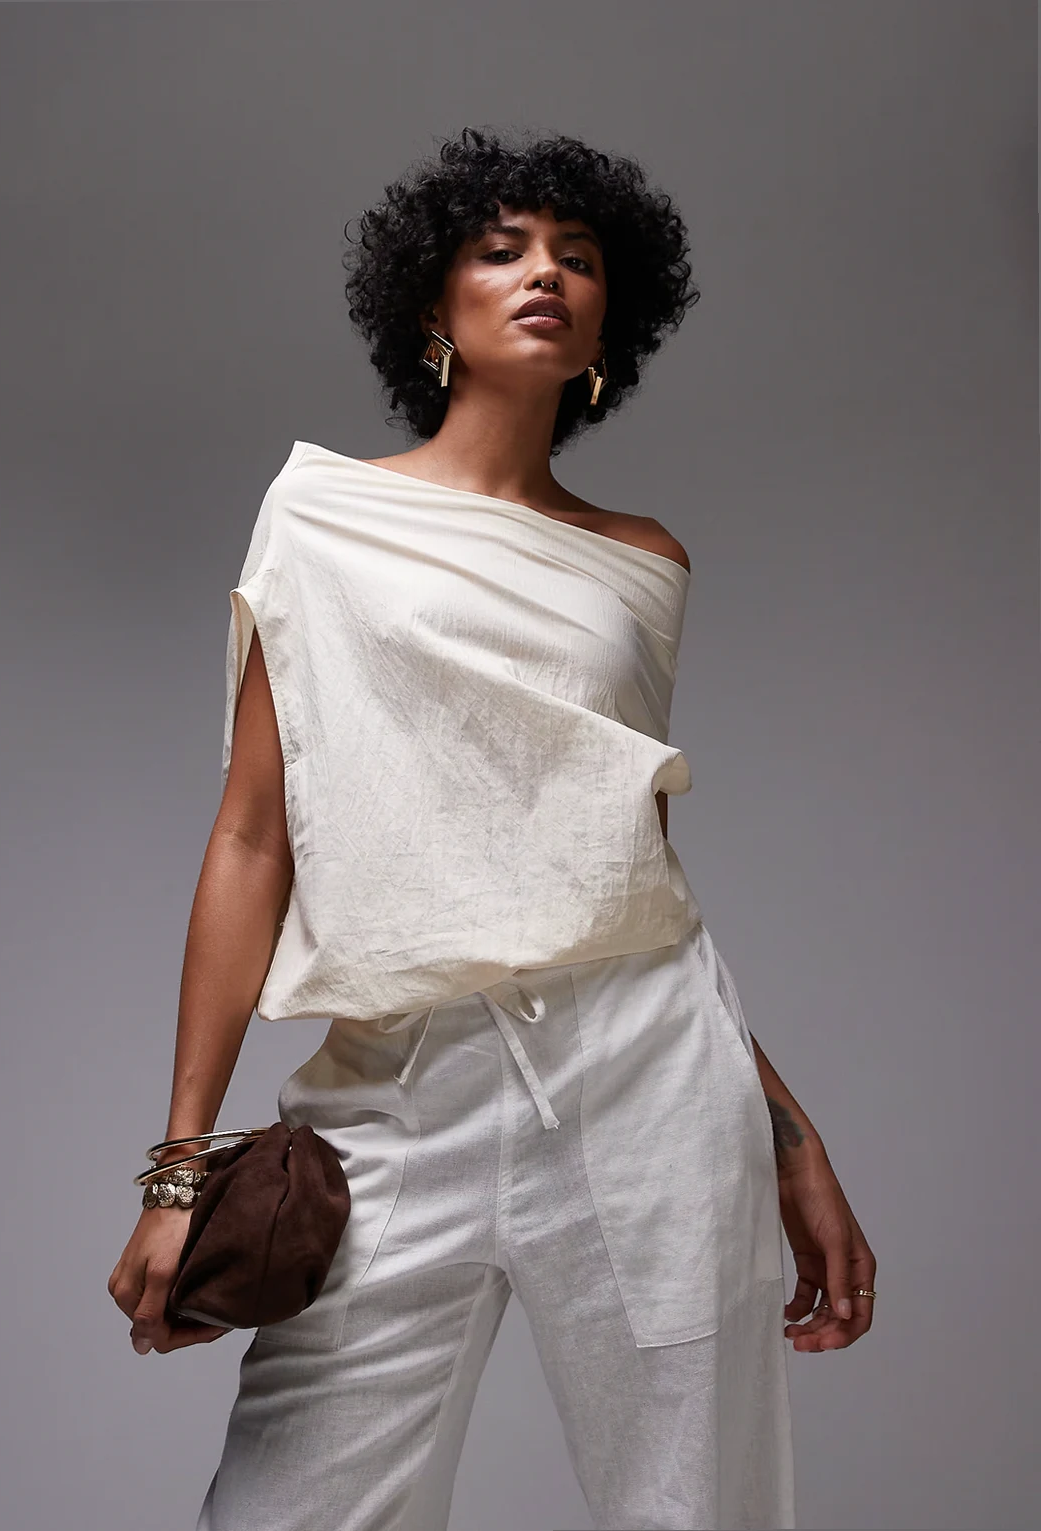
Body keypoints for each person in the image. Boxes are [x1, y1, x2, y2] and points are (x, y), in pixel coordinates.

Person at [108, 126, 876, 1531]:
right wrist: (178, 1166)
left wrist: (789, 1134)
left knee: (694, 1509)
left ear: (607, 328)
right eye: (503, 248)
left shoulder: (643, 562)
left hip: (650, 1073)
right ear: (433, 302)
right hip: (399, 1086)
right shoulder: (322, 517)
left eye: (578, 259)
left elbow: (619, 867)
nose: (546, 275)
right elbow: (253, 838)